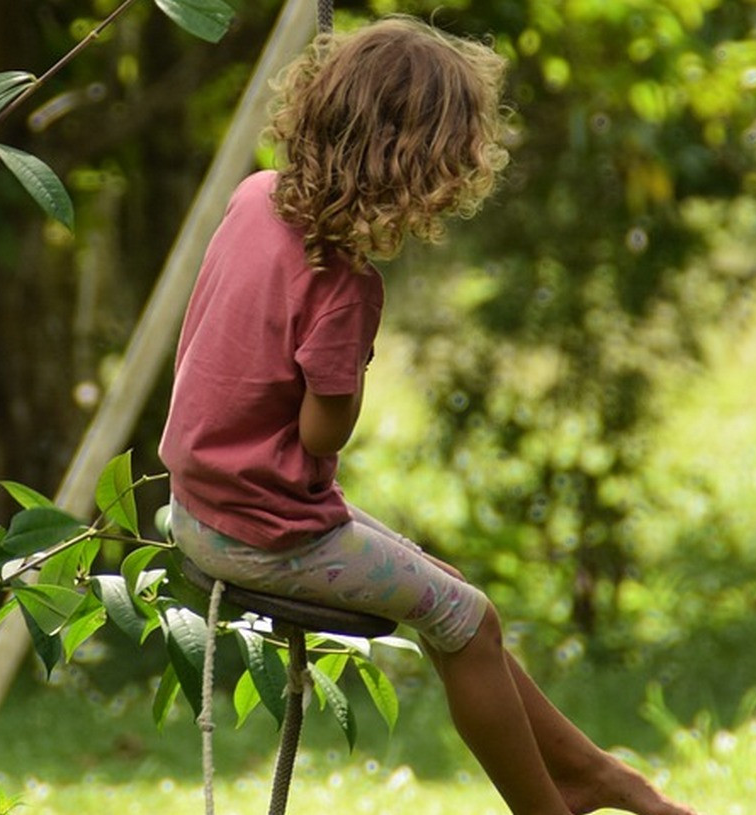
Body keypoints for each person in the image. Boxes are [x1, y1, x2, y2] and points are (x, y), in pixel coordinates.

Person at [159, 16, 701, 815]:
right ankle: (552, 806)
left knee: (451, 597)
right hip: (264, 533)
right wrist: (346, 373)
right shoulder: (343, 287)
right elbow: (319, 435)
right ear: (418, 169)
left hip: (199, 502)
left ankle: (603, 779)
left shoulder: (253, 196)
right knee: (466, 615)